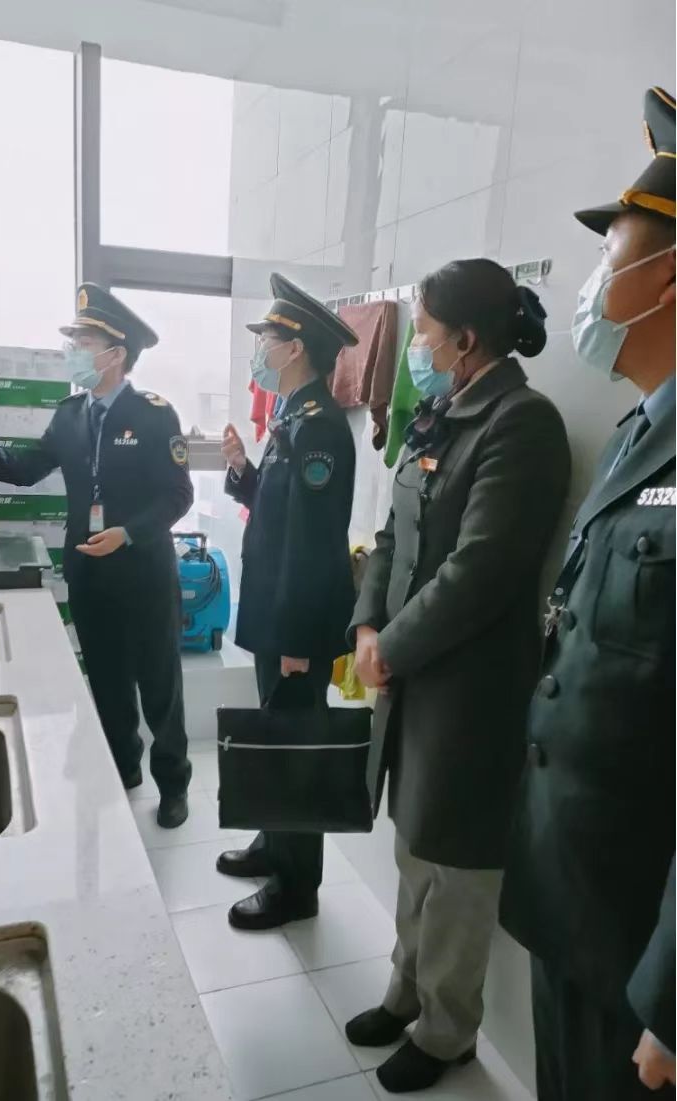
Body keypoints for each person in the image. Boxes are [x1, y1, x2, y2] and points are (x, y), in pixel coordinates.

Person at [345, 259, 571, 1093]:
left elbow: (482, 569)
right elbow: (391, 536)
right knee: (413, 848)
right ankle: (404, 992)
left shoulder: (523, 424)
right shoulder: (439, 414)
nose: (418, 349)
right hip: (409, 671)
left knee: (459, 870)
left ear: (466, 341)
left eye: (426, 335)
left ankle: (447, 1031)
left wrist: (391, 646)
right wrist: (368, 624)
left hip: (470, 693)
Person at [500, 86, 676, 1101]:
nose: (593, 287)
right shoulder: (638, 433)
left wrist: (673, 996)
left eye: (610, 256)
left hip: (642, 943)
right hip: (575, 894)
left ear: (668, 280)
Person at [0, 283, 193, 829]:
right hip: (90, 574)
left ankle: (174, 783)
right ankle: (123, 767)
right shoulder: (71, 414)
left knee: (160, 686)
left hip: (143, 574)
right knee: (107, 682)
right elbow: (25, 469)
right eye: (72, 339)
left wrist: (127, 533)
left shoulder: (154, 414)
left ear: (115, 354)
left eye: (82, 341)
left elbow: (177, 496)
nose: (72, 350)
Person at [216, 273, 358, 931]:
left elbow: (314, 542)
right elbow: (279, 512)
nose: (261, 349)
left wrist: (299, 642)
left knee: (297, 749)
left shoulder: (320, 426)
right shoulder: (292, 416)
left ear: (295, 347)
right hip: (277, 615)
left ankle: (297, 888)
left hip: (294, 624)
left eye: (267, 338)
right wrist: (242, 471)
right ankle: (274, 846)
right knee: (278, 736)